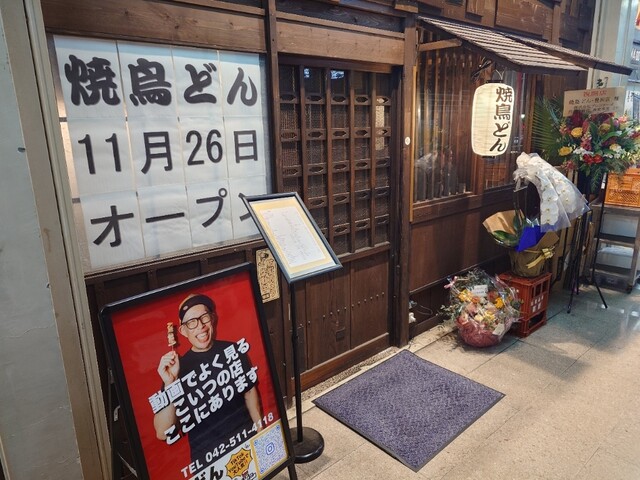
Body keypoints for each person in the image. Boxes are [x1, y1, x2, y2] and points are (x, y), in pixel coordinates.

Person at [153, 293, 263, 466]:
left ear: (212, 319)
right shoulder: (177, 369)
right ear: (183, 331)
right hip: (208, 460)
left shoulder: (232, 350)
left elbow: (249, 392)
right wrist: (170, 383)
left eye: (204, 317)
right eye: (191, 322)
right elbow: (162, 432)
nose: (200, 327)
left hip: (245, 442)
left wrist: (260, 430)